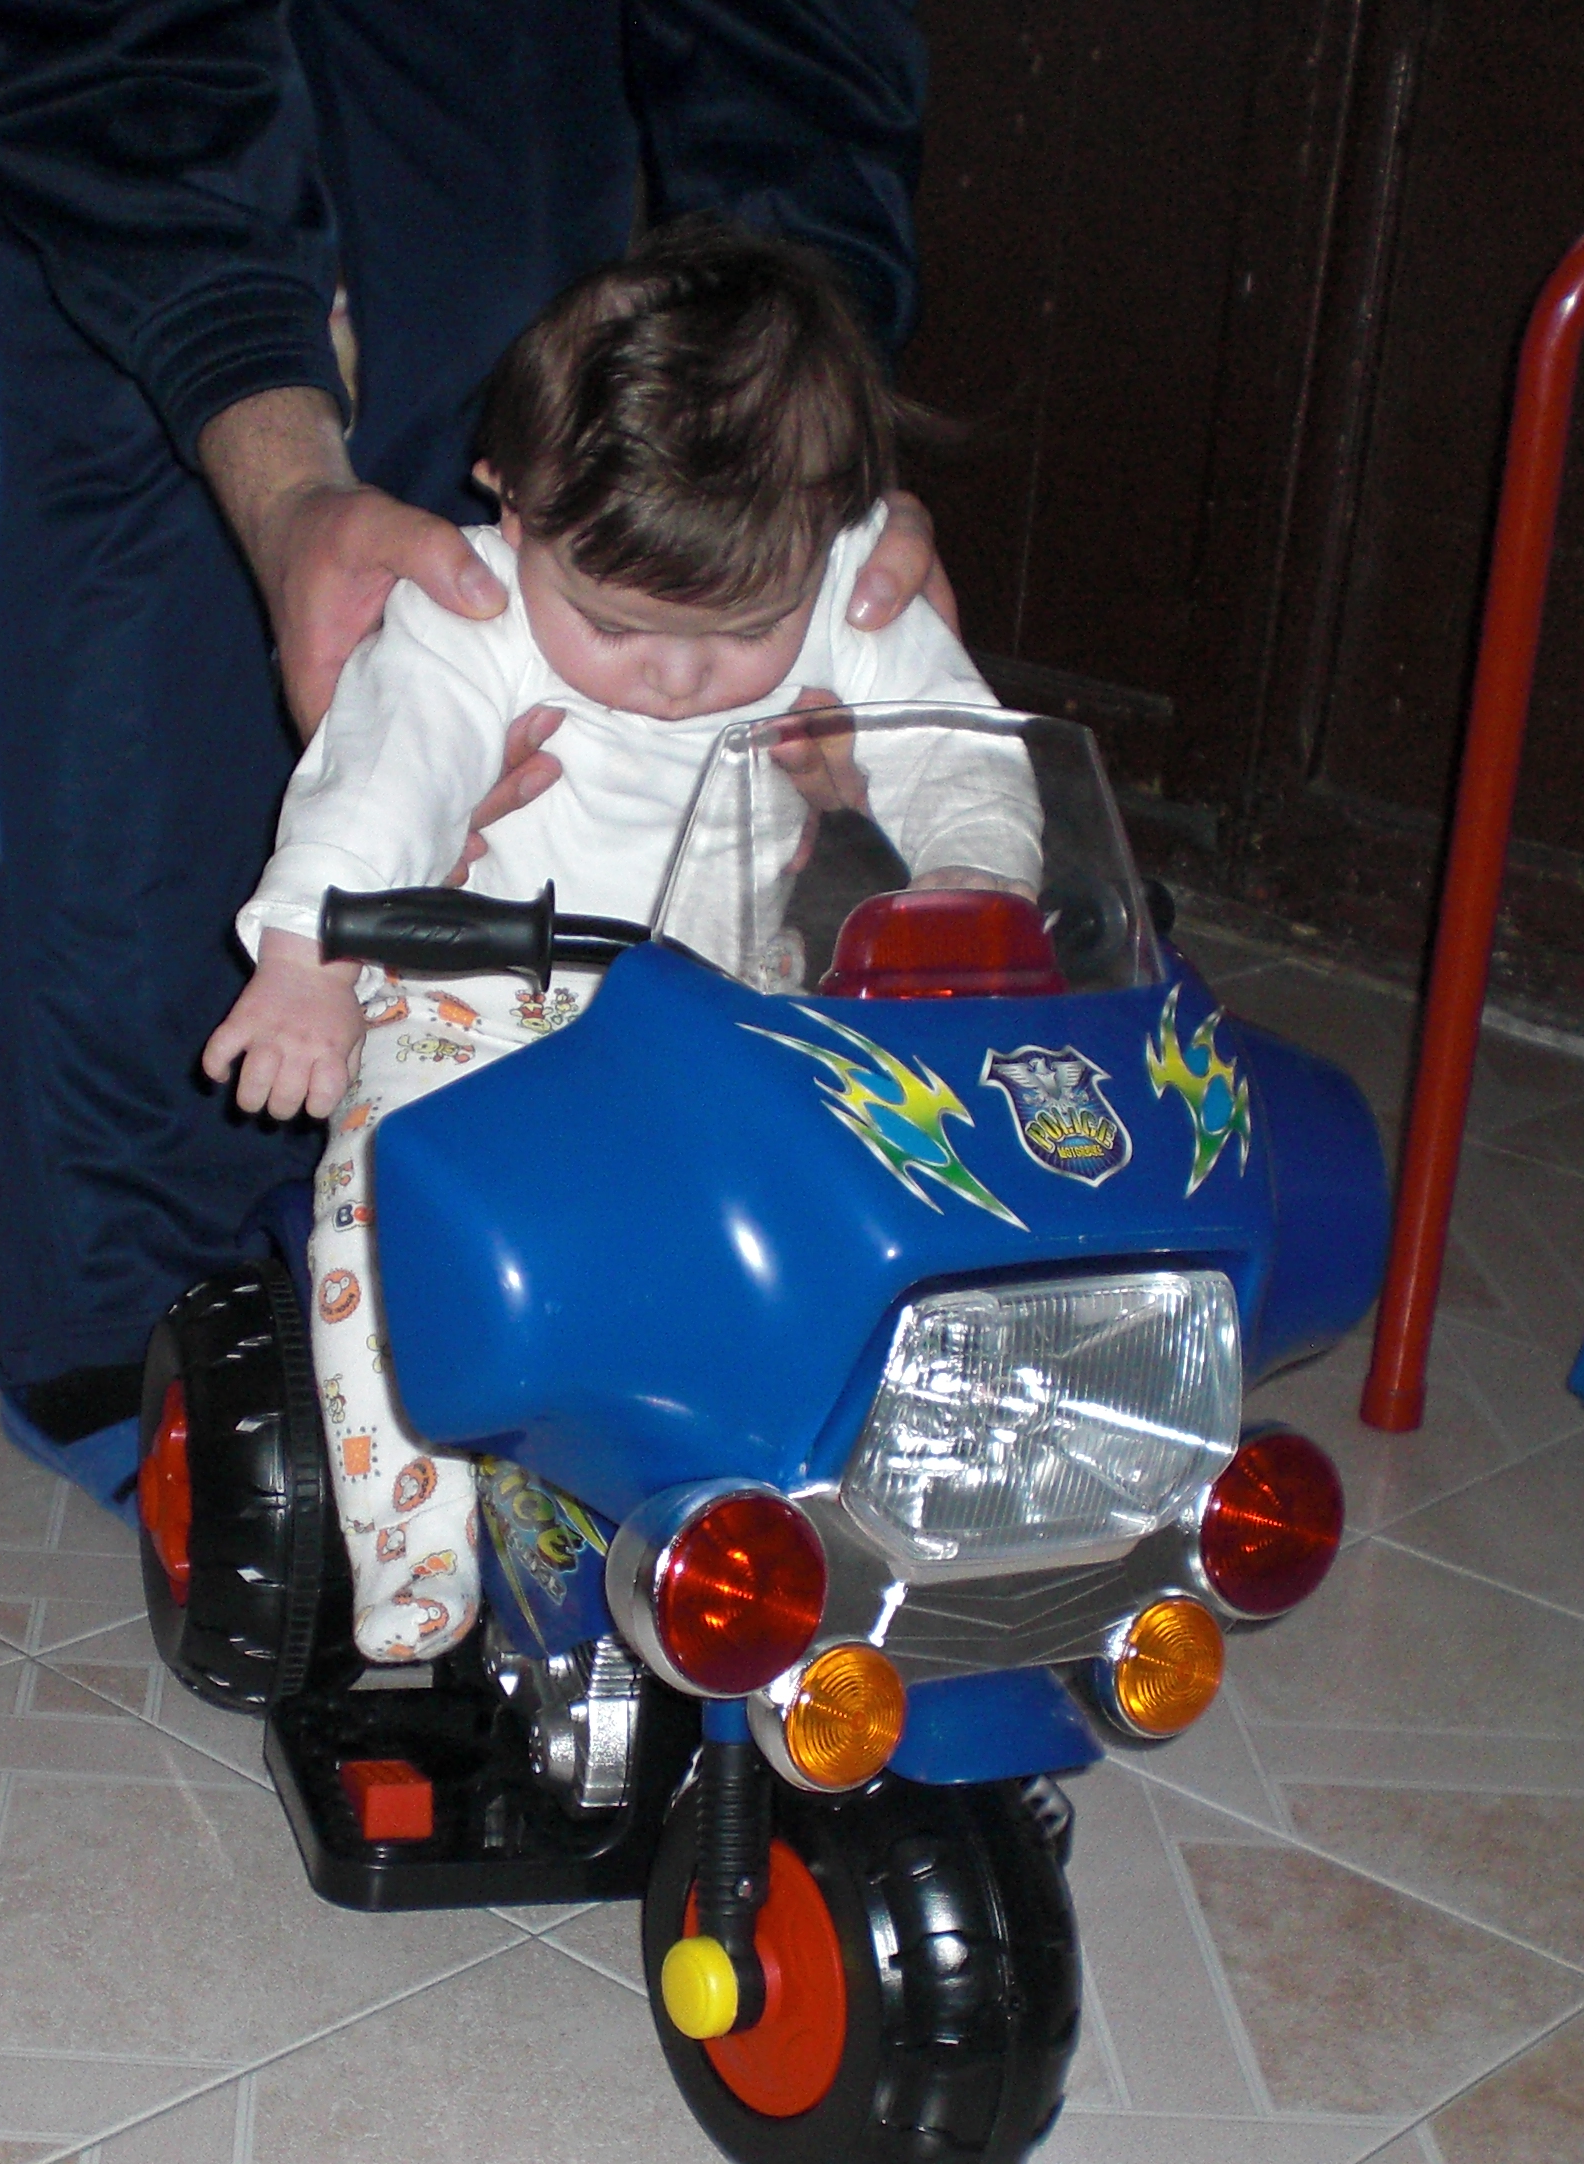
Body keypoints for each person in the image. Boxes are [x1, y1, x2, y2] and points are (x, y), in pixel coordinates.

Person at [0, 0, 949, 1510]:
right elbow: (99, 61)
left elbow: (804, 57)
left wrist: (804, 438)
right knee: (139, 550)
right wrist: (278, 480)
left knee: (505, 308)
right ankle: (135, 1305)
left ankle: (567, 1304)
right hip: (107, 50)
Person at [203, 223, 1013, 1663]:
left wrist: (973, 881)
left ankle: (815, 1510)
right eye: (619, 626)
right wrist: (312, 956)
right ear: (510, 507)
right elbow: (379, 777)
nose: (681, 676)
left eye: (746, 629)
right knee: (384, 1224)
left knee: (854, 1221)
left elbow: (960, 750)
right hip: (477, 1008)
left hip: (732, 1013)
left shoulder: (841, 580)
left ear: (829, 533)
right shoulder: (467, 614)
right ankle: (416, 1542)